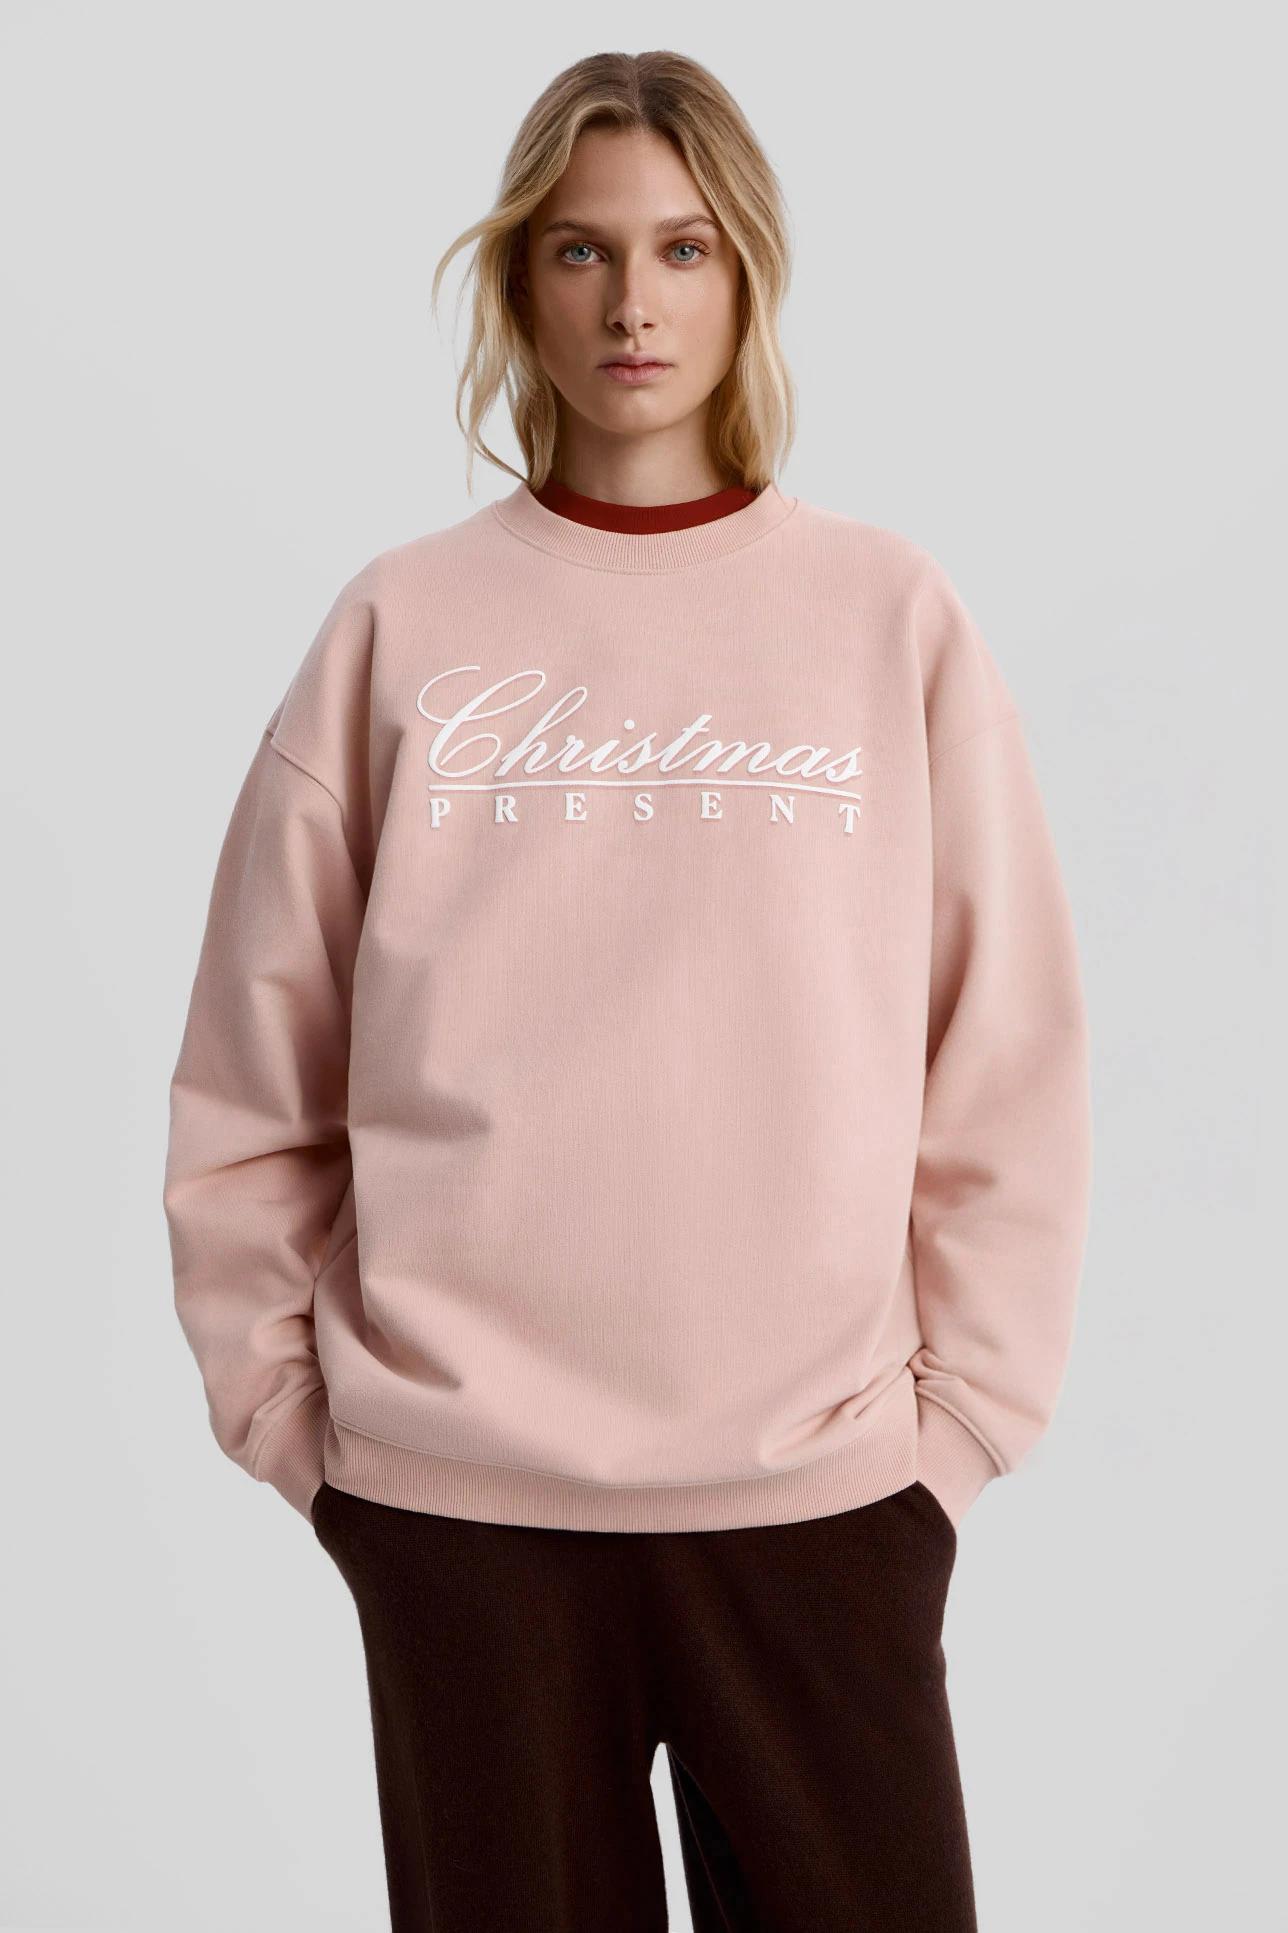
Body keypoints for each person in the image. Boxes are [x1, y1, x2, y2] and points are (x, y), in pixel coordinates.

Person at [162, 47, 1093, 1933]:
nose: (633, 302)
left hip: (825, 1502)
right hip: (464, 1515)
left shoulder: (886, 616)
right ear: (521, 283)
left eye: (682, 247)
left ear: (747, 275)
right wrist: (306, 1442)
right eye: (581, 251)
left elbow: (1004, 1057)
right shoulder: (402, 626)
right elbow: (254, 1078)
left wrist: (954, 1441)